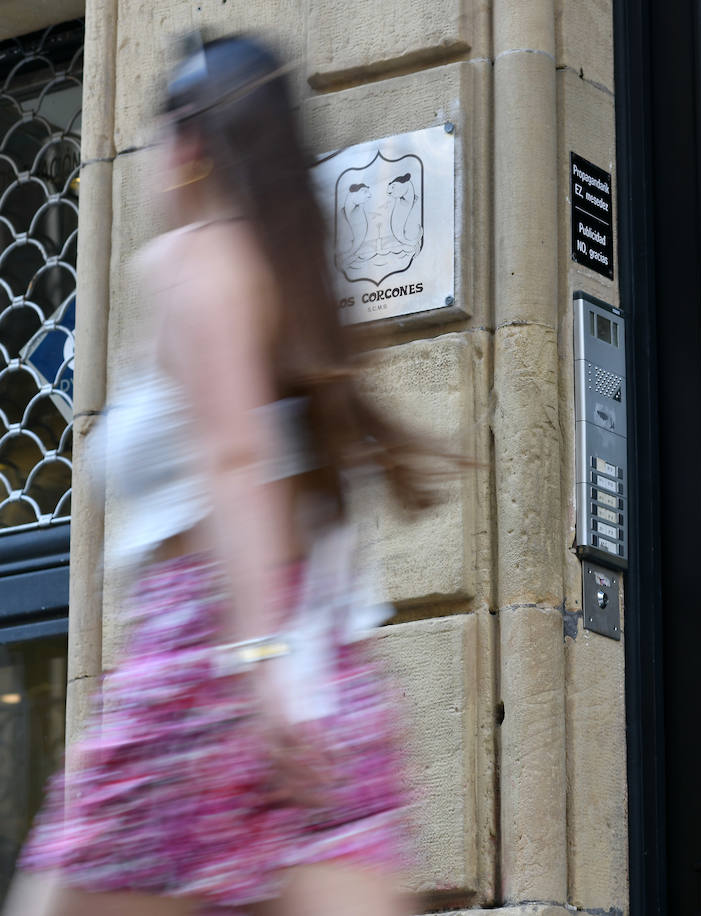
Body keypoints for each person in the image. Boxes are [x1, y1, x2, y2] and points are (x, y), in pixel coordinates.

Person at [3, 33, 454, 916]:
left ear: (189, 147)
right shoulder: (288, 286)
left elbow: (234, 460)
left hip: (206, 656)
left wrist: (258, 664)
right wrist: (288, 672)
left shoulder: (195, 264)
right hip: (322, 658)